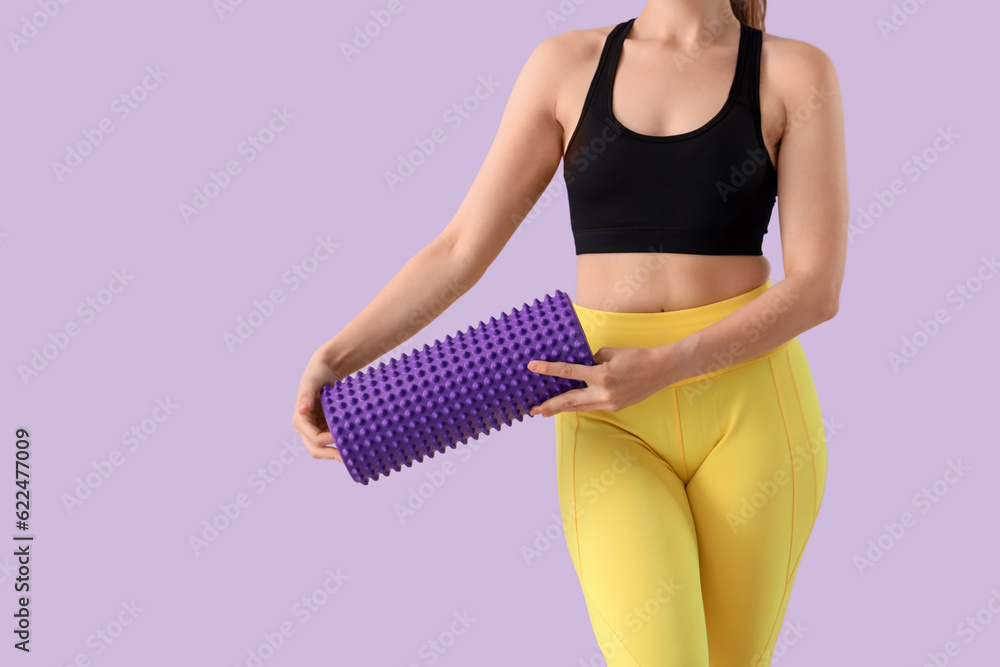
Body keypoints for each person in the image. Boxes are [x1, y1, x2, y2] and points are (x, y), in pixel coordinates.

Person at [292, 0, 847, 664]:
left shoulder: (794, 72)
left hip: (753, 413)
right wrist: (335, 355)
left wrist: (664, 365)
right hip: (605, 415)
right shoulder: (565, 66)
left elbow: (817, 288)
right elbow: (459, 249)